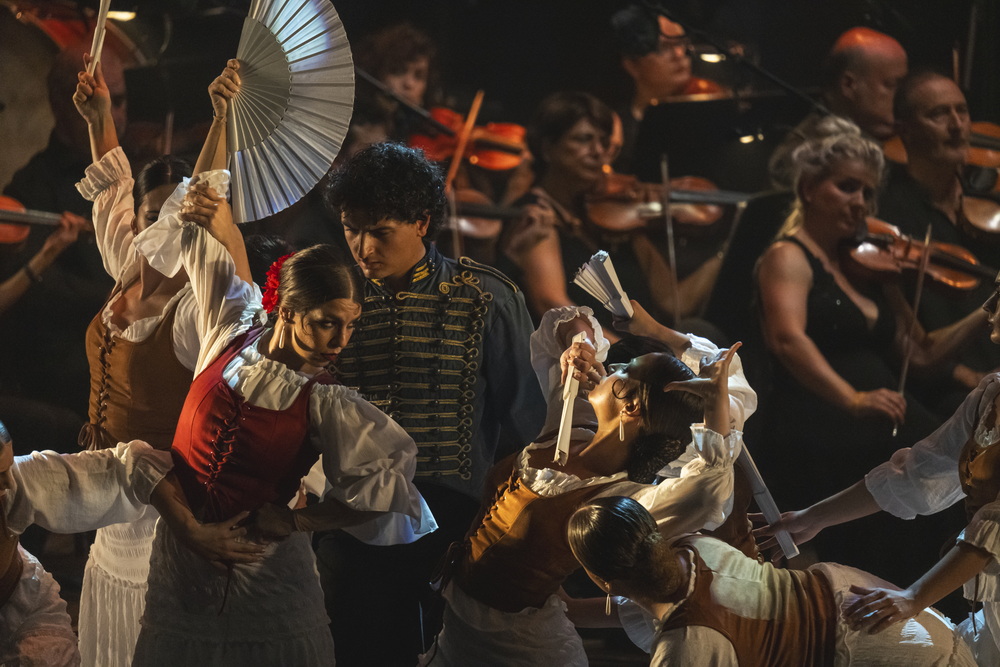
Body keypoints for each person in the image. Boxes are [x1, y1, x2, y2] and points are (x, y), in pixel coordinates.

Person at [121, 86, 434, 663]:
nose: (339, 341)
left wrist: (298, 521)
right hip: (182, 569)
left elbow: (388, 492)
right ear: (286, 312)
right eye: (325, 323)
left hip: (266, 579)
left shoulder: (327, 401)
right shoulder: (231, 328)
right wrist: (222, 116)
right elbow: (203, 215)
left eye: (349, 325)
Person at [419, 301, 750, 665]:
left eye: (623, 371)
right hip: (456, 627)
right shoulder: (572, 422)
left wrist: (715, 404)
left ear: (631, 408)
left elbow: (707, 491)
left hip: (520, 649)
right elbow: (564, 321)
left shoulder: (621, 497)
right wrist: (583, 344)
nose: (610, 369)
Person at [316, 141, 545, 664]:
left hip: (453, 522)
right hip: (351, 518)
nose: (362, 247)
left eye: (380, 232)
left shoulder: (485, 296)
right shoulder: (333, 297)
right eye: (351, 228)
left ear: (421, 222)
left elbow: (525, 423)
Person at [68, 56, 251, 667]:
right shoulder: (127, 264)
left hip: (162, 509)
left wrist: (222, 119)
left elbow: (237, 300)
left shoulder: (194, 308)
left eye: (179, 217)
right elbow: (112, 195)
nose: (165, 230)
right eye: (154, 217)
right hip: (109, 500)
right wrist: (100, 117)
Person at [755, 127, 986, 581]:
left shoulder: (868, 268)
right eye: (847, 187)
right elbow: (787, 340)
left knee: (957, 461)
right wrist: (853, 399)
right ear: (808, 188)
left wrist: (988, 308)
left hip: (876, 416)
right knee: (931, 468)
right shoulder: (788, 255)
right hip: (819, 419)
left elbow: (921, 354)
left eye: (867, 192)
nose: (860, 202)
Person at [754, 271, 1000, 666]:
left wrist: (913, 598)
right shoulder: (991, 395)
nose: (988, 307)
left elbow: (994, 525)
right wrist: (811, 518)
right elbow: (917, 474)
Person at [568, 495, 977, 666]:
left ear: (602, 579)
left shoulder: (686, 650)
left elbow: (668, 614)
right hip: (882, 610)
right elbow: (648, 604)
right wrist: (566, 611)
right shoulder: (694, 545)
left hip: (875, 651)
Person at [499, 91, 721, 331]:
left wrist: (726, 253)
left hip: (636, 345)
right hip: (593, 351)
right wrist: (624, 351)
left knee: (702, 331)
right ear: (547, 148)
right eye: (583, 139)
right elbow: (552, 304)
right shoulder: (536, 214)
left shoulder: (609, 217)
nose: (598, 152)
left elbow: (672, 303)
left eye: (603, 142)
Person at [878, 70, 998, 416]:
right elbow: (904, 340)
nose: (957, 125)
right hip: (952, 389)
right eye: (939, 114)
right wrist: (971, 378)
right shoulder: (890, 216)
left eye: (962, 111)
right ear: (905, 130)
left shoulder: (988, 199)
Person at [769, 27, 908, 190]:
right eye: (891, 85)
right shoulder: (800, 158)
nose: (904, 96)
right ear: (849, 85)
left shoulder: (904, 133)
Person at [609, 4, 725, 174]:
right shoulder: (615, 127)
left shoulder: (709, 105)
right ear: (632, 66)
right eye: (663, 48)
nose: (679, 55)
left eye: (681, 44)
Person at [0, 421, 79, 667]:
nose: (9, 483)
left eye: (9, 469)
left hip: (19, 601)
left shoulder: (18, 481)